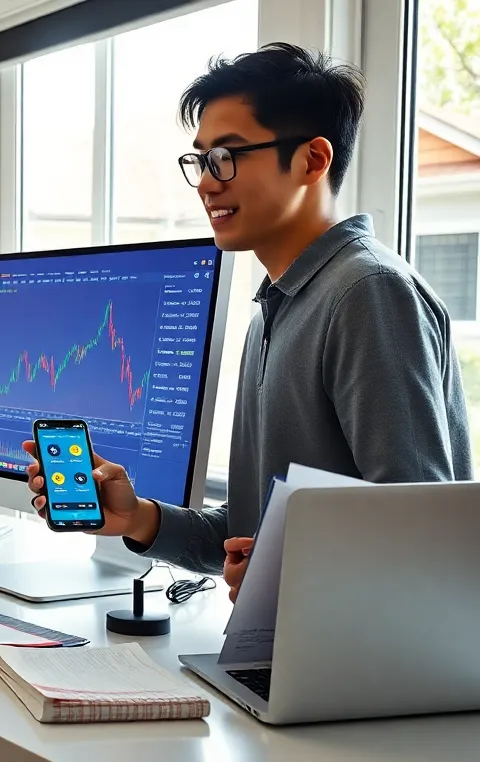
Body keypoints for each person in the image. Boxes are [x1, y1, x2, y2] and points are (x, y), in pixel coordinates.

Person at [25, 43, 472, 602]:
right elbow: (241, 537)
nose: (208, 183)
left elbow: (422, 537)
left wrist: (291, 571)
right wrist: (137, 518)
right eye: (201, 160)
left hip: (362, 680)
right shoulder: (274, 309)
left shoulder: (368, 293)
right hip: (287, 658)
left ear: (313, 160)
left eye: (228, 157)